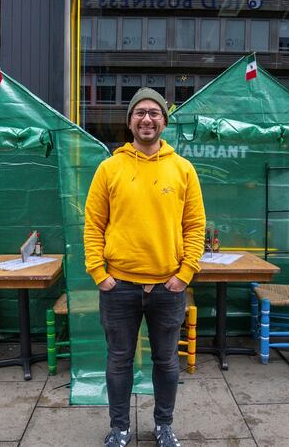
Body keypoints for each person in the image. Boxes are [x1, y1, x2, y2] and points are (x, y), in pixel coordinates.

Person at [84, 87, 206, 447]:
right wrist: (99, 274)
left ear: (164, 122)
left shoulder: (183, 169)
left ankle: (163, 426)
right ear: (130, 122)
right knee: (118, 362)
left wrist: (185, 274)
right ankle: (119, 428)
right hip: (118, 285)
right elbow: (93, 224)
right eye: (140, 113)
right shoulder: (109, 168)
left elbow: (195, 226)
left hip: (168, 287)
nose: (147, 118)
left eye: (154, 112)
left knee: (167, 362)